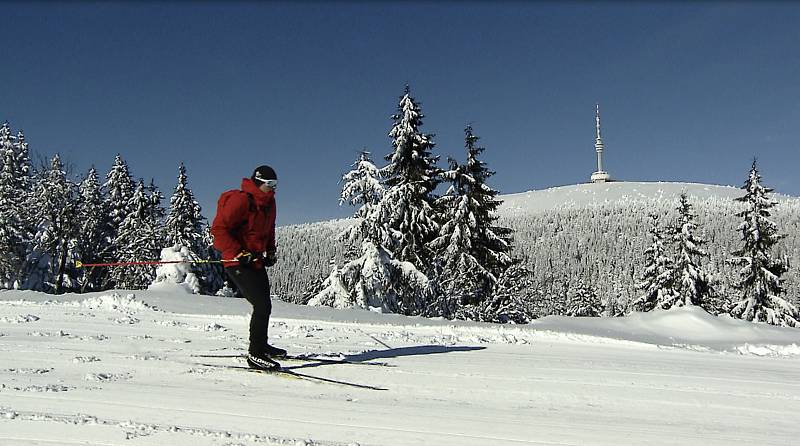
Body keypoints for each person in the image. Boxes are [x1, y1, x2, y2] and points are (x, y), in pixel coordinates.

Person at [211, 165, 286, 371]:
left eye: (276, 185)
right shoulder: (241, 200)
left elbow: (268, 229)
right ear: (258, 182)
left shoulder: (270, 203)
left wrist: (270, 250)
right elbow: (219, 230)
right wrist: (238, 252)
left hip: (255, 260)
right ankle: (255, 355)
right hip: (236, 261)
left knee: (265, 305)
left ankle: (261, 345)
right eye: (270, 185)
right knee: (261, 305)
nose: (273, 189)